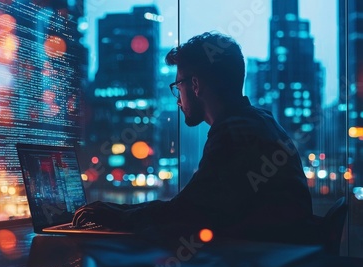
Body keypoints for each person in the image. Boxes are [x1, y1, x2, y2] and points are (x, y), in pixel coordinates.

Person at [73, 32, 314, 244]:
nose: (178, 99)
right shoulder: (258, 121)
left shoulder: (234, 133)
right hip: (277, 256)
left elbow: (186, 212)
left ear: (195, 85)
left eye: (178, 86)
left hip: (261, 262)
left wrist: (115, 214)